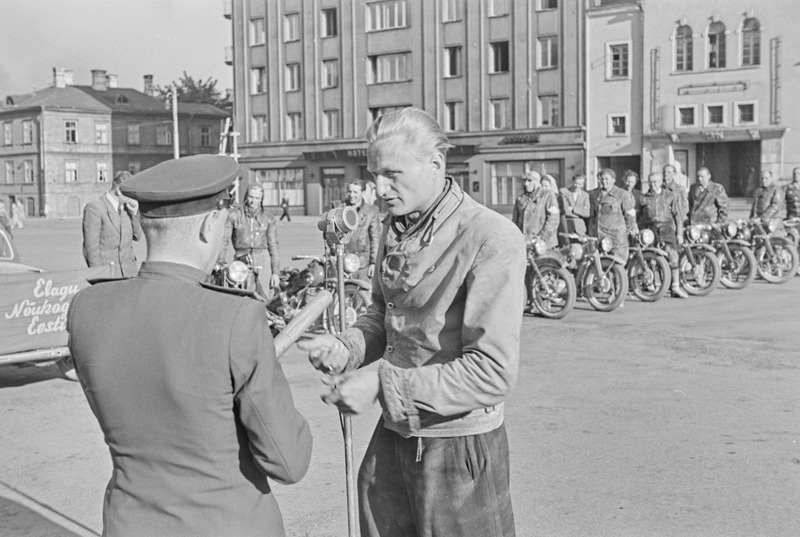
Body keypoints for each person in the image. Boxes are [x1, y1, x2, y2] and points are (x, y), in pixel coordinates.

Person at [298, 108, 524, 537]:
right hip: (397, 432)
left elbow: (492, 374)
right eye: (373, 175)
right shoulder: (396, 227)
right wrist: (347, 347)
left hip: (458, 446)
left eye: (391, 174)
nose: (378, 189)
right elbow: (384, 314)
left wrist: (380, 385)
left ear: (435, 165)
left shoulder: (490, 237)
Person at [67, 154, 312, 537]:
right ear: (210, 225)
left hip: (131, 523)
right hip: (228, 524)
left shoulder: (87, 309)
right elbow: (288, 461)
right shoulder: (235, 317)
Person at [218, 184, 280, 299]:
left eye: (257, 198)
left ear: (261, 199)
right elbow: (224, 241)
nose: (253, 201)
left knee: (266, 297)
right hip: (242, 259)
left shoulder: (269, 219)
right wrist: (220, 262)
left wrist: (275, 273)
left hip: (263, 259)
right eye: (251, 197)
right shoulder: (234, 215)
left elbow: (274, 246)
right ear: (246, 196)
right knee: (245, 297)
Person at [81, 171, 143, 277]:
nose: (133, 196)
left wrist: (134, 213)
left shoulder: (127, 208)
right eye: (130, 193)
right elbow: (90, 249)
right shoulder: (95, 208)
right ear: (119, 191)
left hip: (130, 273)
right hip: (109, 274)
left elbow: (137, 236)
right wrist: (99, 277)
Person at [638, 171, 688, 298]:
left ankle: (675, 287)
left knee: (673, 256)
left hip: (667, 229)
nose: (652, 184)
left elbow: (678, 216)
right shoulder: (643, 198)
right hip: (650, 230)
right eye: (650, 182)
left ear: (661, 182)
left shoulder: (670, 196)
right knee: (653, 259)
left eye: (655, 182)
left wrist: (680, 233)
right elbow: (638, 217)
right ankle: (657, 286)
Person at [589, 168, 638, 260]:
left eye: (607, 179)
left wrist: (626, 230)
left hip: (616, 237)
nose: (604, 181)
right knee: (600, 265)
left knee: (618, 263)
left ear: (613, 180)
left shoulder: (622, 194)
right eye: (602, 179)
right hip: (600, 236)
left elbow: (630, 215)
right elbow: (592, 216)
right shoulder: (595, 195)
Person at [343, 179, 381, 280]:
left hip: (362, 263)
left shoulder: (371, 211)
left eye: (355, 192)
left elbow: (375, 239)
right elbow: (330, 234)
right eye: (349, 191)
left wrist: (373, 263)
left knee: (363, 293)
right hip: (342, 261)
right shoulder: (340, 208)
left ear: (363, 193)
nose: (351, 195)